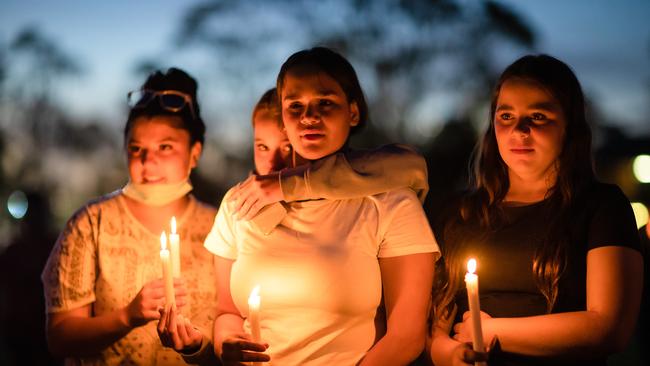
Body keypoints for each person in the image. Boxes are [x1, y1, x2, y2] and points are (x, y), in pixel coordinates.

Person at [205, 47, 440, 365]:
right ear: (283, 121)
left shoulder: (391, 202)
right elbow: (227, 313)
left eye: (325, 102)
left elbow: (406, 337)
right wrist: (226, 342)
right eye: (295, 106)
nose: (309, 117)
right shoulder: (239, 202)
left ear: (353, 113)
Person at [428, 54, 643, 366]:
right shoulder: (460, 213)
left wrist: (491, 331)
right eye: (506, 117)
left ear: (569, 126)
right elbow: (437, 330)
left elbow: (608, 328)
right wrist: (450, 354)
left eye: (538, 116)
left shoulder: (602, 207)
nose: (520, 130)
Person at [41, 68, 219, 365]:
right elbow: (59, 337)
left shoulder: (219, 229)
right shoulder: (91, 223)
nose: (148, 161)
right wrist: (127, 316)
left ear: (195, 153)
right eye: (137, 149)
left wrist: (194, 346)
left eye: (166, 147)